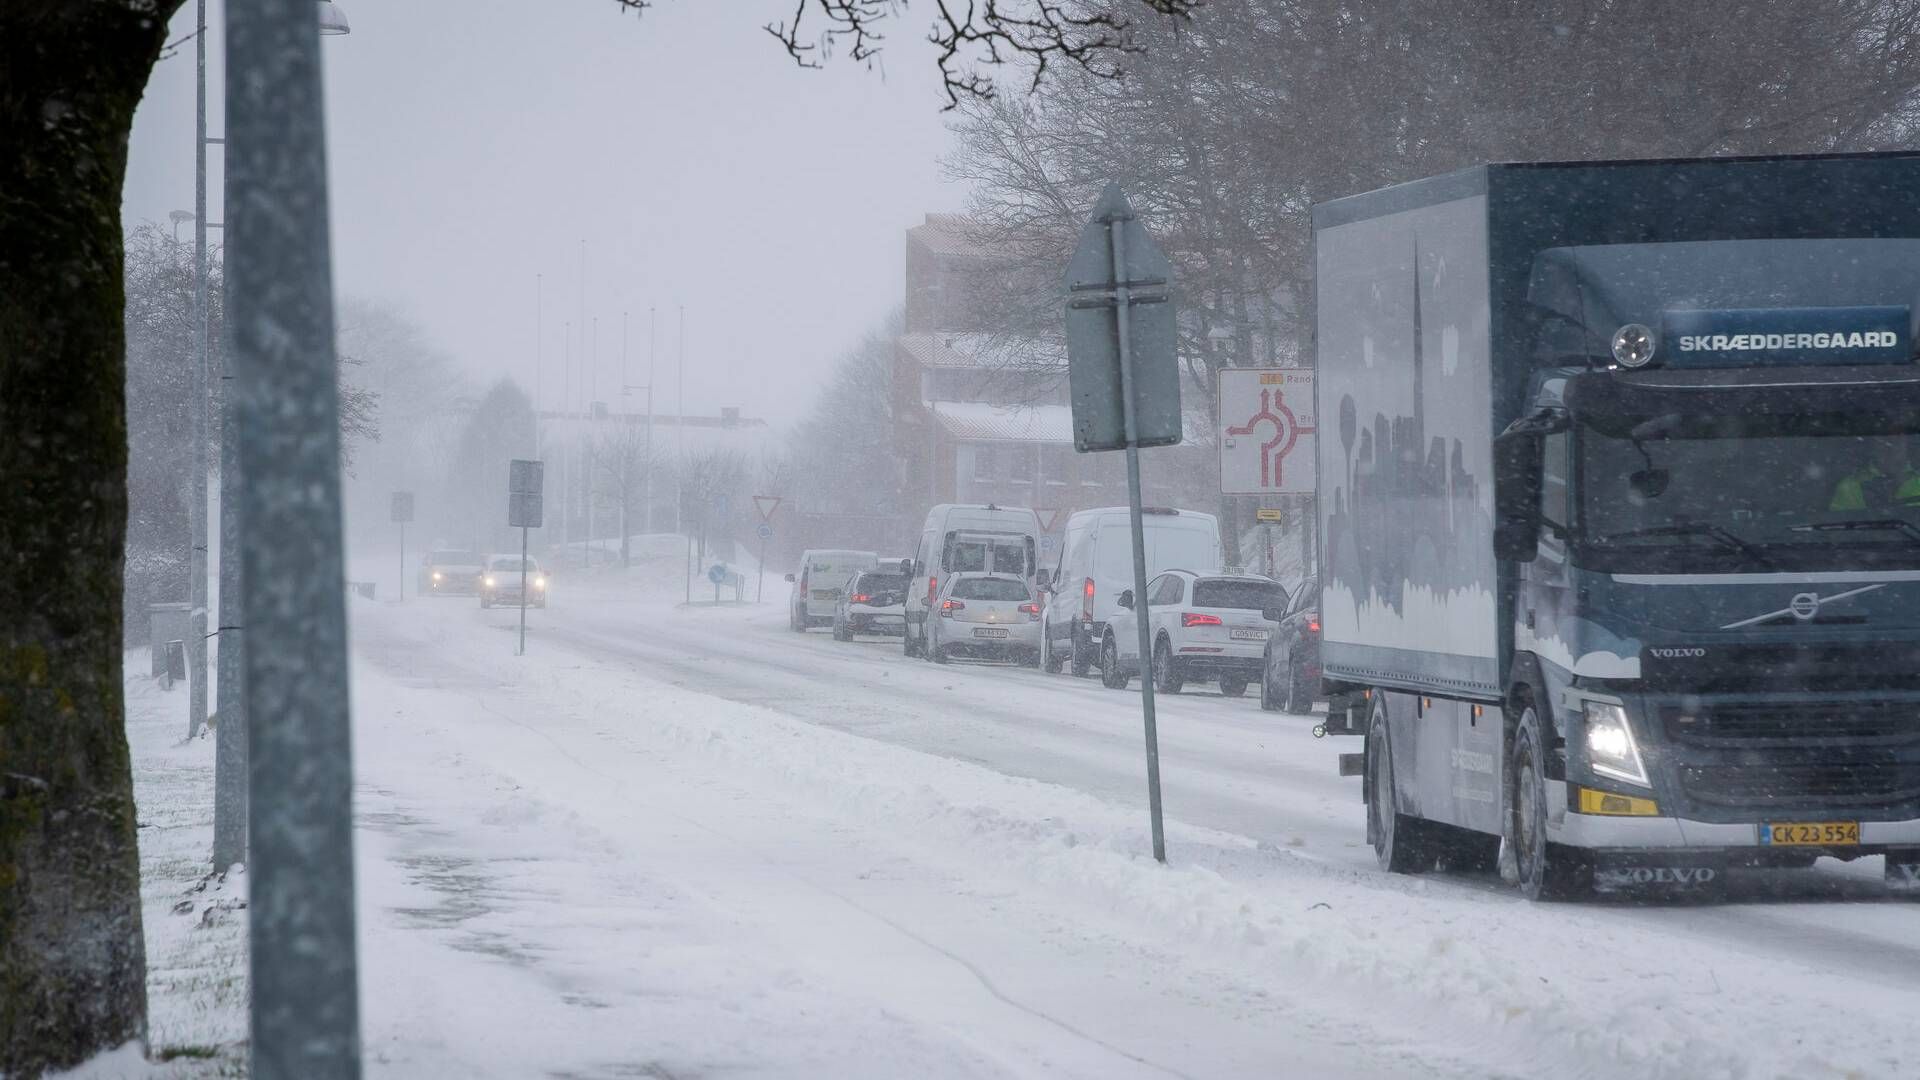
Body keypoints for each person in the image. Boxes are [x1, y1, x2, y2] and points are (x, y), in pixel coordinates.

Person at [1830, 436, 1920, 511]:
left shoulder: (1918, 482)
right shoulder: (1849, 486)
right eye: (1884, 440)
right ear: (1873, 445)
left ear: (1907, 445)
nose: (1890, 446)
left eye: (1897, 440)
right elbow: (1840, 528)